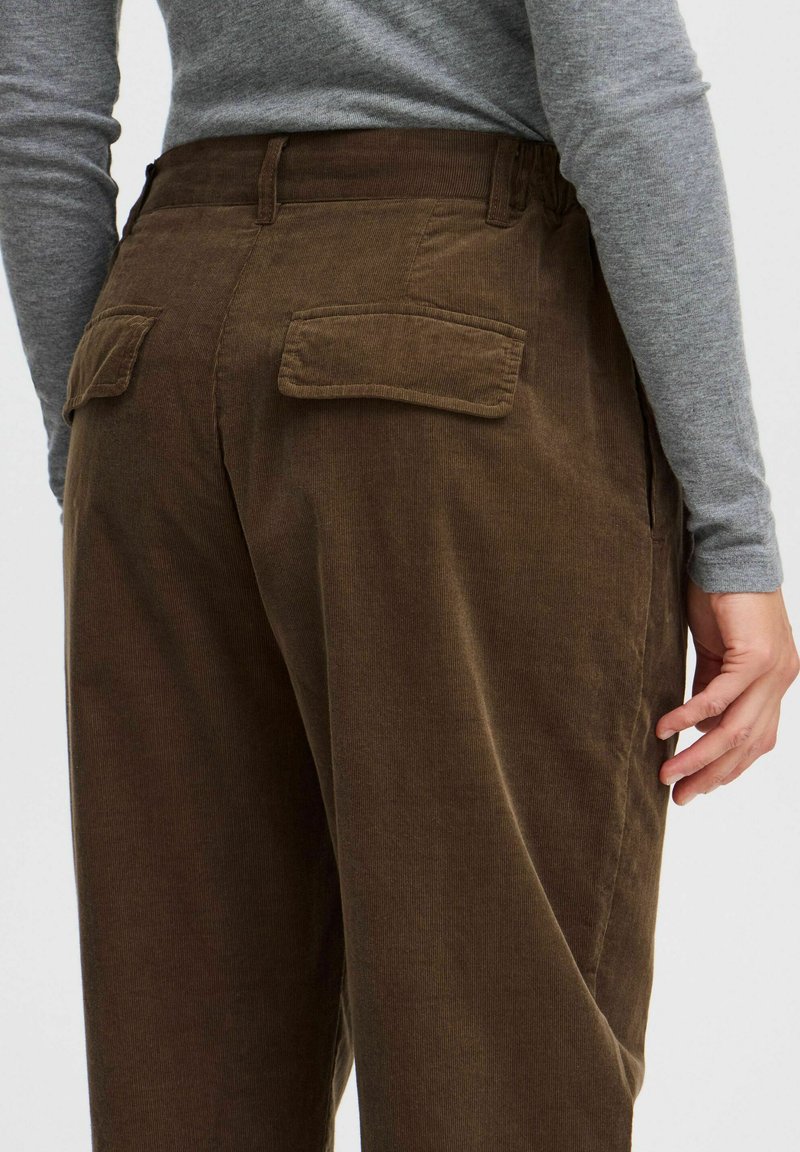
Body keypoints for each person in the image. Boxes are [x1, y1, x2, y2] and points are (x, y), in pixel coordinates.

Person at [1, 2, 797, 1149]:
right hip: (448, 328)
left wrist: (96, 439)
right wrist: (732, 533)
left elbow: (35, 104)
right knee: (492, 1069)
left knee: (188, 1074)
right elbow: (620, 88)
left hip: (154, 339)